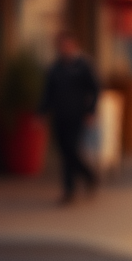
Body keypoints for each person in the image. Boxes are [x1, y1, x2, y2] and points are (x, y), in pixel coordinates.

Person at [41, 30, 99, 204]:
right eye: (61, 46)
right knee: (64, 152)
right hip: (60, 116)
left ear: (74, 45)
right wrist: (41, 113)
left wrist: (90, 111)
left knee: (72, 150)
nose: (64, 48)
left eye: (67, 45)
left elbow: (95, 89)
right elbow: (48, 93)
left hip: (77, 115)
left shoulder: (83, 66)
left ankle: (78, 183)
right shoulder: (55, 67)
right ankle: (77, 184)